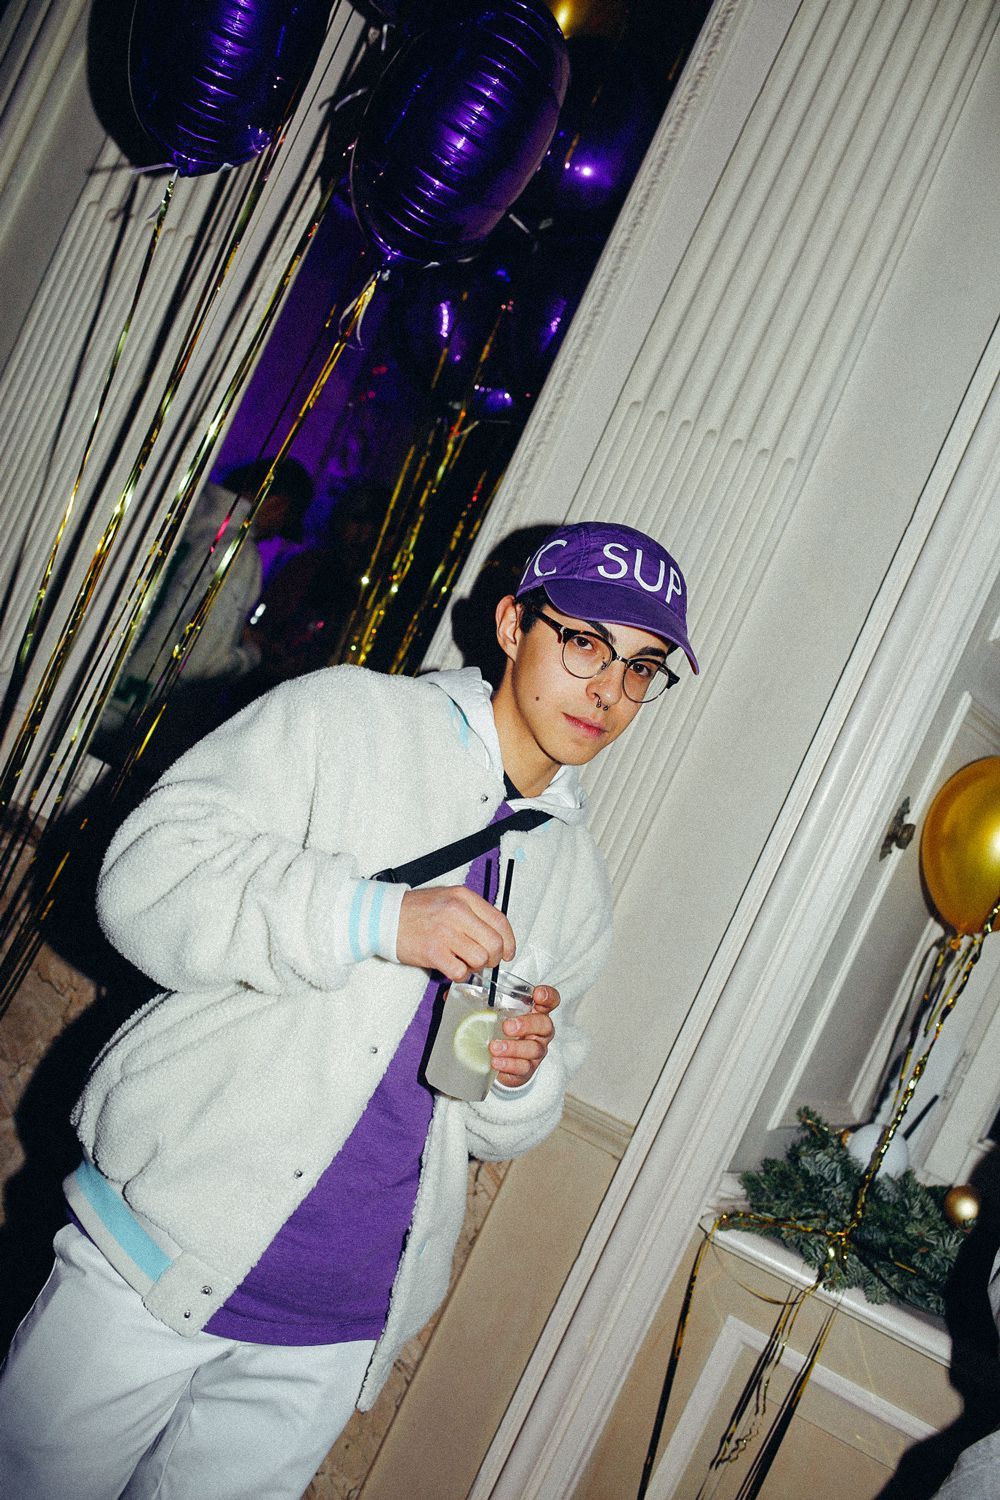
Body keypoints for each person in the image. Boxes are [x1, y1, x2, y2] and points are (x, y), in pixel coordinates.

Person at [0, 519, 699, 1499]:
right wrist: (373, 917)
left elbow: (495, 1121)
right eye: (584, 642)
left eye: (642, 667)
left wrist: (517, 1073)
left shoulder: (576, 882)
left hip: (338, 1326)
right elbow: (144, 881)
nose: (609, 689)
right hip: (158, 1251)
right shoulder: (348, 720)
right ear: (512, 625)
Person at [92, 457, 314, 766]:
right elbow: (200, 664)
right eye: (281, 525)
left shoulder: (177, 515)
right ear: (277, 505)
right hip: (127, 726)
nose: (272, 536)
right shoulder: (238, 553)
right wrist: (252, 654)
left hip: (87, 695)